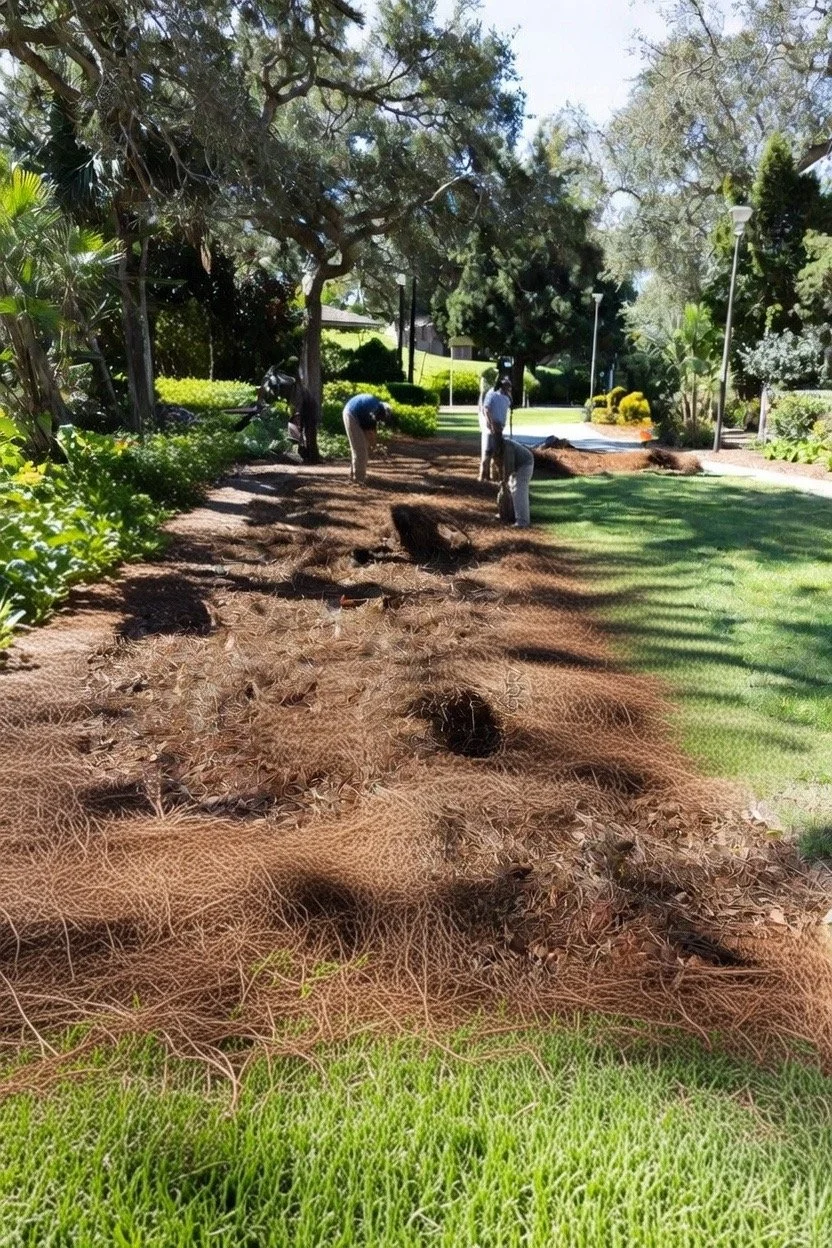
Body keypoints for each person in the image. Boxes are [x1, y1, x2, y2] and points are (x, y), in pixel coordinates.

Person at [342, 393, 390, 484]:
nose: (381, 420)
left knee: (359, 447)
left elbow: (372, 430)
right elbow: (370, 432)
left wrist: (372, 444)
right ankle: (359, 479)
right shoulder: (373, 411)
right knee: (360, 450)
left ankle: (354, 475)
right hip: (351, 415)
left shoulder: (375, 406)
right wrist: (374, 446)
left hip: (355, 413)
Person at [492, 427, 534, 528]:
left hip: (525, 464)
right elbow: (497, 464)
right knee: (509, 489)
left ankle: (522, 521)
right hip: (517, 465)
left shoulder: (508, 447)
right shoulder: (495, 448)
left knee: (519, 491)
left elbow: (509, 468)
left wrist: (503, 481)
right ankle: (508, 514)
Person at [480, 376, 512, 482]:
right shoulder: (492, 394)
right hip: (491, 427)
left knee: (497, 452)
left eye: (509, 385)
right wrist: (492, 424)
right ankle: (484, 476)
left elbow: (507, 408)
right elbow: (486, 409)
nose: (508, 387)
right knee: (488, 452)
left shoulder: (507, 398)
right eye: (506, 385)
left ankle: (496, 476)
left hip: (499, 428)